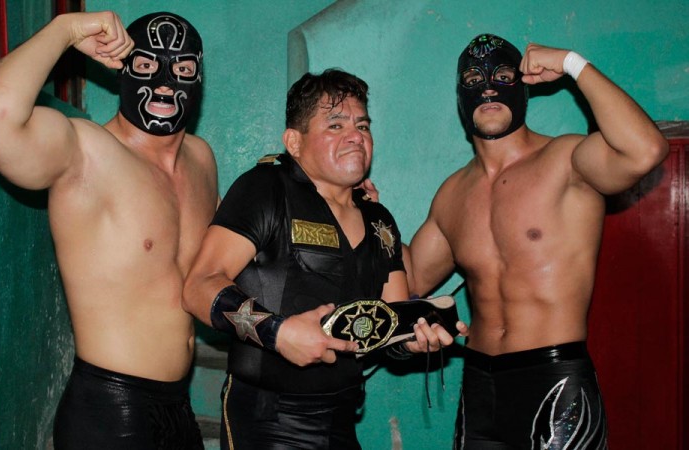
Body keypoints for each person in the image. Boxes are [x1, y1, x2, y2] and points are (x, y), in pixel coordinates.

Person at [0, 11, 216, 449]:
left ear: (199, 79)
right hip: (110, 409)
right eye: (147, 65)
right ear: (124, 70)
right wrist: (65, 29)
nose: (166, 84)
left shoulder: (201, 158)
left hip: (178, 405)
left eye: (183, 69)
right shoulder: (86, 151)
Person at [406, 33, 669, 449]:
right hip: (478, 386)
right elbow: (410, 279)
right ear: (460, 96)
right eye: (474, 79)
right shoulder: (453, 193)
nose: (488, 88)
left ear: (523, 87)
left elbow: (646, 150)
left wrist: (571, 63)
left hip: (554, 382)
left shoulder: (567, 161)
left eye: (502, 76)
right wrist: (362, 210)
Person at [182, 69, 460, 450]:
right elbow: (198, 286)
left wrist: (413, 342)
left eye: (362, 125)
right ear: (294, 142)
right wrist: (278, 333)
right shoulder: (265, 188)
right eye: (335, 125)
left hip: (342, 420)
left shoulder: (380, 221)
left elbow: (390, 324)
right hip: (267, 421)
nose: (355, 136)